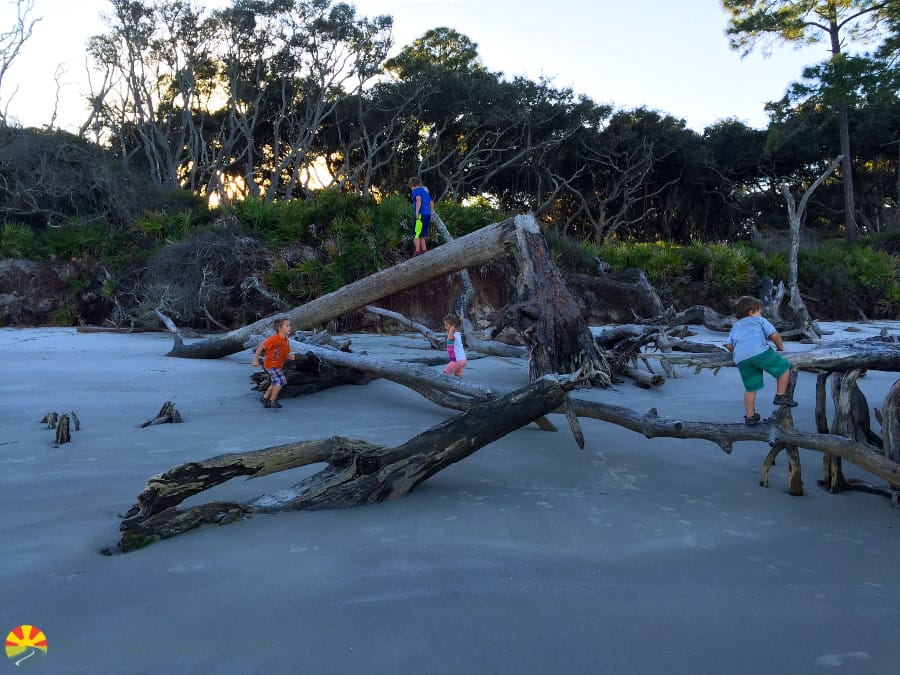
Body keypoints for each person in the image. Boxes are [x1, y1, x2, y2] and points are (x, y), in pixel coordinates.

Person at [725, 296, 797, 426]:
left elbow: (730, 346)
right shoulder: (759, 320)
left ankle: (750, 416)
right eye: (759, 311)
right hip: (759, 352)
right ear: (751, 312)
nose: (761, 313)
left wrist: (740, 352)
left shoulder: (735, 326)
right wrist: (781, 349)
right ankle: (780, 396)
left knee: (751, 388)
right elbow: (774, 335)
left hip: (741, 359)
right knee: (784, 367)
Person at [252, 317, 295, 409]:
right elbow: (261, 347)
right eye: (287, 326)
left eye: (289, 325)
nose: (289, 327)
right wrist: (255, 360)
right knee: (281, 380)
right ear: (280, 328)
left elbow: (284, 352)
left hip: (278, 365)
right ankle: (273, 400)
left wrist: (289, 356)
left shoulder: (286, 340)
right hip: (271, 364)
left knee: (275, 382)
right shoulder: (274, 339)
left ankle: (264, 398)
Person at [408, 177, 432, 256]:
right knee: (422, 235)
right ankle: (424, 250)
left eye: (410, 186)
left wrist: (417, 213)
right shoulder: (425, 192)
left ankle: (417, 251)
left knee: (416, 234)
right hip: (427, 215)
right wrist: (430, 214)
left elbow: (418, 199)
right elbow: (431, 203)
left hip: (421, 215)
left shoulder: (415, 190)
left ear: (412, 184)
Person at [443, 313, 467, 378]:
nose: (444, 327)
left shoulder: (454, 335)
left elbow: (450, 339)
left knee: (445, 374)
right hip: (463, 359)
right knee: (458, 375)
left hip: (457, 361)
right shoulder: (458, 334)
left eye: (446, 325)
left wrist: (451, 329)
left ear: (453, 326)